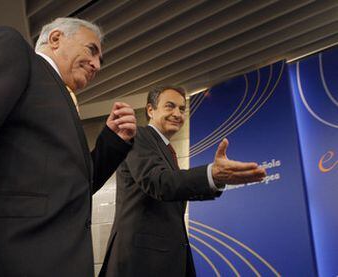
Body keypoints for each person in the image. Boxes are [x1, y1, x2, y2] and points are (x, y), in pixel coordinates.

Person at [0, 18, 136, 277]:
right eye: (91, 50)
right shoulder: (12, 49)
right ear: (56, 39)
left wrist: (113, 142)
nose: (97, 64)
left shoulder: (64, 100)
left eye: (101, 59)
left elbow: (69, 192)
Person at [99, 86, 266, 277]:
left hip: (165, 260)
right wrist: (211, 174)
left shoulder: (166, 150)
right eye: (170, 106)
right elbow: (159, 183)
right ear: (150, 110)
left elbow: (173, 191)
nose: (177, 114)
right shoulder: (138, 135)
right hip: (140, 261)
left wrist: (216, 181)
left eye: (181, 109)